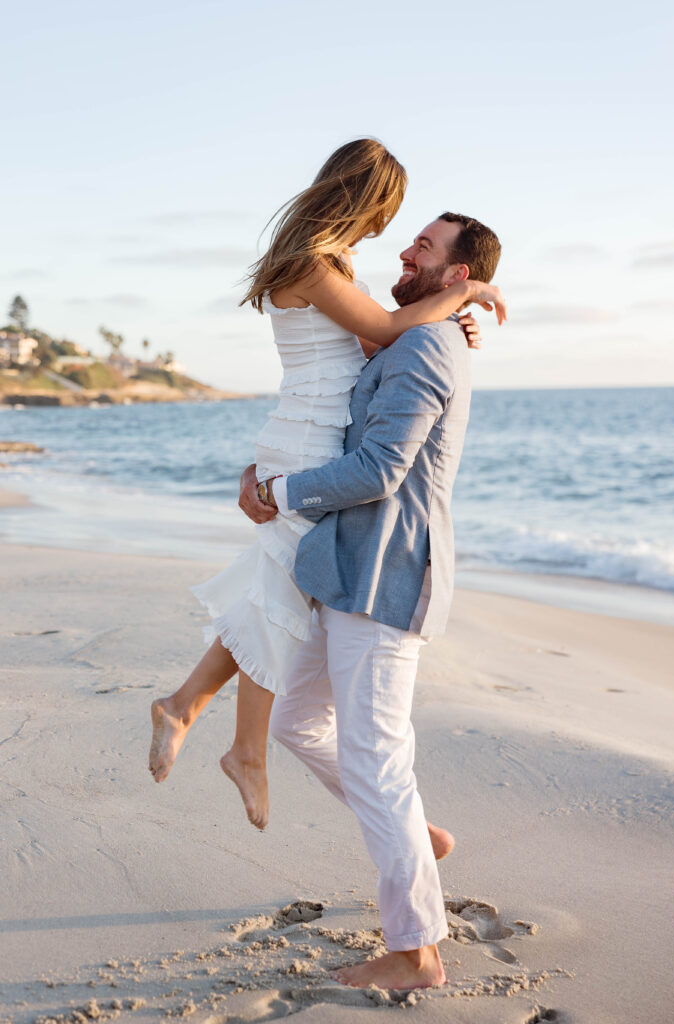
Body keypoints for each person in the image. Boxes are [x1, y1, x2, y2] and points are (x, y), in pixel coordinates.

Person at [148, 139, 505, 837]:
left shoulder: (326, 263)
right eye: (387, 213)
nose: (386, 232)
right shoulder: (313, 264)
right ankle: (239, 746)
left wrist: (444, 317)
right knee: (280, 593)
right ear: (365, 197)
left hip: (305, 431)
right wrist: (460, 295)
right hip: (309, 437)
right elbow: (383, 328)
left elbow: (378, 343)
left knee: (274, 585)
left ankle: (193, 710)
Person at [238, 211, 503, 990]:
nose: (405, 250)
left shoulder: (424, 346)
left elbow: (380, 469)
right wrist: (264, 471)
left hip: (387, 576)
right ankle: (413, 835)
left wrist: (279, 492)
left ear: (456, 274)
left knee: (376, 758)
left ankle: (417, 949)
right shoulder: (409, 336)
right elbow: (337, 416)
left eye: (422, 245)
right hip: (347, 570)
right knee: (295, 720)